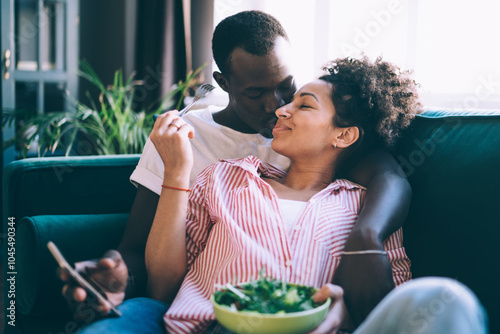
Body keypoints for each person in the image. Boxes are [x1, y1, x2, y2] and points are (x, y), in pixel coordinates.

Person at [59, 11, 411, 332]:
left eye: (287, 88)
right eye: (256, 93)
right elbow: (155, 266)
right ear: (224, 82)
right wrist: (119, 267)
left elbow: (390, 178)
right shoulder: (207, 160)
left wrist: (365, 243)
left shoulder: (340, 176)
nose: (277, 107)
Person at [146, 56, 487, 334]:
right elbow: (162, 287)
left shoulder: (364, 205)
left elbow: (389, 306)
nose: (280, 110)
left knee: (447, 297)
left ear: (344, 136)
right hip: (220, 329)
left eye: (304, 106)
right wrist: (176, 172)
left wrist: (348, 313)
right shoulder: (226, 177)